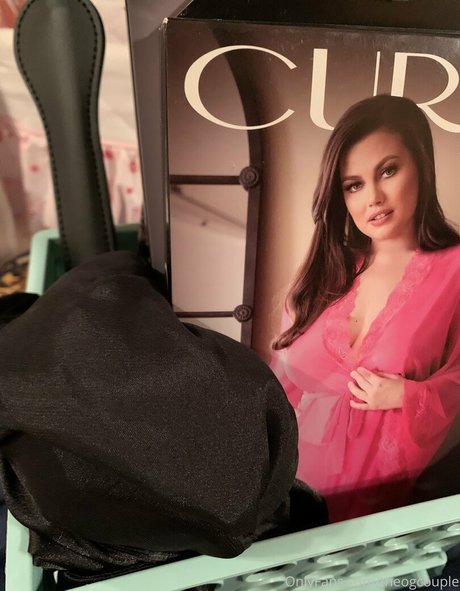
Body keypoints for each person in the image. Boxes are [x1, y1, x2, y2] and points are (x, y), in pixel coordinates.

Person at [270, 94, 460, 523]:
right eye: (353, 185)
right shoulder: (331, 269)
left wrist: (408, 395)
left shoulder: (454, 269)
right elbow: (280, 382)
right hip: (293, 488)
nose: (373, 197)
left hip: (378, 498)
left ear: (422, 165)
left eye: (388, 170)